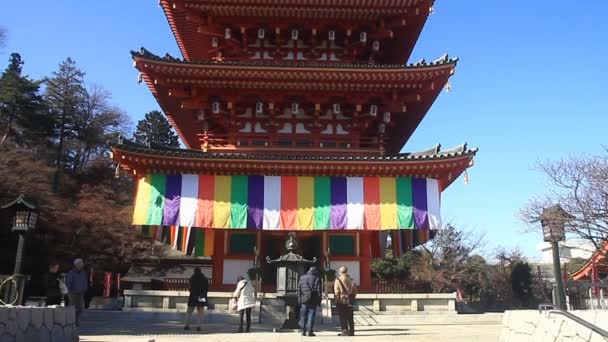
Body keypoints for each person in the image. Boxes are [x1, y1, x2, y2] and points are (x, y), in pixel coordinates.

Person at [298, 266, 322, 337]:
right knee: (311, 315)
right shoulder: (317, 278)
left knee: (303, 315)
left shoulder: (302, 278)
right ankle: (310, 331)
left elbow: (299, 290)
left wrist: (299, 299)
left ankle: (303, 331)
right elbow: (319, 291)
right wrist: (319, 301)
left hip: (304, 299)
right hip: (313, 299)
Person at [334, 265, 357, 337]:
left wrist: (336, 300)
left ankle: (345, 331)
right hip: (349, 300)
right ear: (346, 271)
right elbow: (355, 291)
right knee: (350, 317)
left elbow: (337, 292)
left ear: (340, 272)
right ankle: (352, 331)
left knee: (343, 317)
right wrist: (352, 297)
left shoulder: (338, 280)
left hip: (341, 301)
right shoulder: (352, 280)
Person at [184, 267, 209, 331]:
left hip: (193, 296)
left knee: (189, 311)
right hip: (202, 296)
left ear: (194, 271)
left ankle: (187, 325)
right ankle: (199, 326)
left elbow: (189, 288)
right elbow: (206, 289)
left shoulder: (192, 278)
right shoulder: (205, 279)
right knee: (200, 312)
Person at [66, 258, 88, 325]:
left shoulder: (83, 273)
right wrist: (68, 291)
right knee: (72, 309)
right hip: (73, 293)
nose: (83, 264)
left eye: (82, 263)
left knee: (80, 308)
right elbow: (69, 282)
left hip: (81, 293)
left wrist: (85, 288)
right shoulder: (71, 273)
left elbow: (85, 281)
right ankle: (71, 322)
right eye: (81, 263)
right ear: (77, 264)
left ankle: (75, 320)